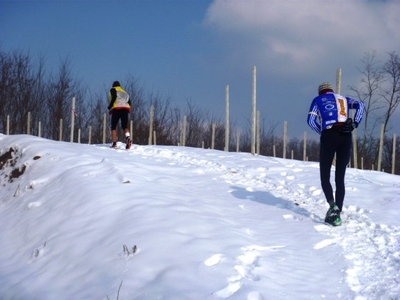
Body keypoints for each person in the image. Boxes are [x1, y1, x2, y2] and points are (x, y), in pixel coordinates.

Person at [307, 82, 365, 226]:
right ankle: (337, 212)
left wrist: (323, 132)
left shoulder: (317, 100)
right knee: (340, 177)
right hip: (346, 134)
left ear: (321, 92)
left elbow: (310, 120)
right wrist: (354, 123)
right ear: (332, 91)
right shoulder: (343, 98)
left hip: (329, 134)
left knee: (325, 175)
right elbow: (361, 105)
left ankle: (332, 205)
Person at [108, 81, 132, 149]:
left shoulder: (113, 89)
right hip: (125, 109)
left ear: (113, 85)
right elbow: (129, 102)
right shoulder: (125, 92)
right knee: (124, 126)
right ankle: (128, 137)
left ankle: (114, 143)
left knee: (113, 126)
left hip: (117, 109)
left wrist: (110, 106)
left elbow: (114, 97)